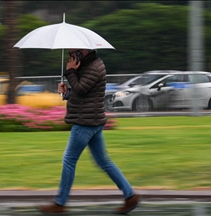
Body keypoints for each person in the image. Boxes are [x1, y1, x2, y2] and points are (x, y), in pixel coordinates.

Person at [37, 49, 140, 214]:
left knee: (69, 160)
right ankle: (130, 196)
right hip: (92, 120)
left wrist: (70, 71)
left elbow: (81, 89)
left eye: (73, 50)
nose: (70, 52)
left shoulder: (94, 67)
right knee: (103, 162)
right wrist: (67, 92)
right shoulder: (87, 65)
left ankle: (59, 203)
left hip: (86, 122)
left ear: (83, 50)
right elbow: (82, 95)